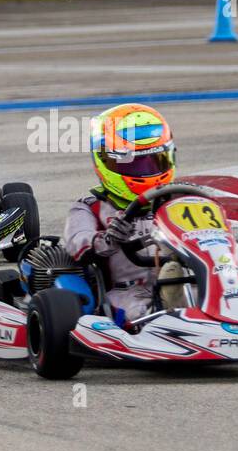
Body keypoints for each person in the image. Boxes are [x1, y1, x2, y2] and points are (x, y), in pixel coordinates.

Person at [63, 103, 183, 326]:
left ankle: (187, 307)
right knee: (146, 317)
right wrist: (108, 239)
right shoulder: (90, 208)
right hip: (126, 294)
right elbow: (79, 245)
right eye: (136, 164)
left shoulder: (178, 201)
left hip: (184, 281)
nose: (147, 171)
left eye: (155, 161)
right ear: (105, 161)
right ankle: (172, 317)